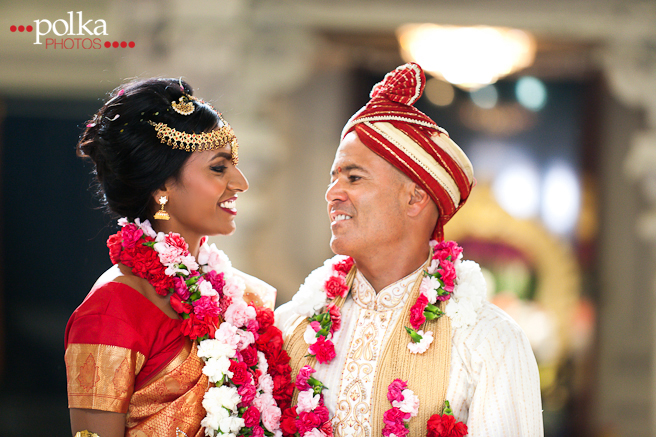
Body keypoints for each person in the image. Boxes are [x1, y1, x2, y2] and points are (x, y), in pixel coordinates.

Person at [275, 63, 543, 436]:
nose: (333, 194)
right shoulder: (291, 325)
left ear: (415, 197)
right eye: (333, 178)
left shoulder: (487, 341)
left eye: (353, 177)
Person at [66, 78, 291, 437]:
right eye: (219, 168)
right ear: (160, 187)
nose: (241, 182)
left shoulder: (240, 300)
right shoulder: (112, 310)